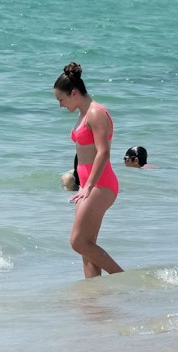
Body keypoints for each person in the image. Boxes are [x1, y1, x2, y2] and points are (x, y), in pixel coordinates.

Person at [53, 62, 123, 278]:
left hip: (101, 184)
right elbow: (84, 154)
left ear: (74, 93)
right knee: (87, 248)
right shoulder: (83, 113)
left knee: (78, 241)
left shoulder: (96, 113)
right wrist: (80, 181)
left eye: (61, 99)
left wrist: (89, 186)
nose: (60, 105)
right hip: (88, 185)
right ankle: (95, 298)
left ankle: (122, 278)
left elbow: (103, 153)